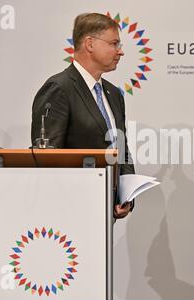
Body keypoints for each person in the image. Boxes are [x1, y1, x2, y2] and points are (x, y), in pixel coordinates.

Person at [31, 13, 134, 218]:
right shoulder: (59, 88)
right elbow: (47, 157)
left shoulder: (114, 94)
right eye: (114, 43)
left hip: (106, 211)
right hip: (69, 211)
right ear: (89, 43)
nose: (120, 52)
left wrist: (127, 195)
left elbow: (121, 148)